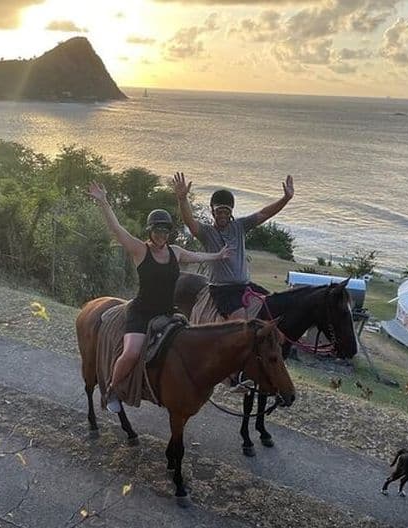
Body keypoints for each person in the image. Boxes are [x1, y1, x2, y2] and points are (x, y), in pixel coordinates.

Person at [86, 182, 231, 413]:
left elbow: (197, 255)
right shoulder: (139, 250)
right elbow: (116, 229)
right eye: (157, 230)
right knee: (132, 352)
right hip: (141, 312)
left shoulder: (175, 251)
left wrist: (219, 255)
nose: (161, 235)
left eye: (164, 231)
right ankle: (112, 389)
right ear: (149, 231)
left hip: (167, 312)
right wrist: (103, 201)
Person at [173, 171, 294, 320]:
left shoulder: (240, 226)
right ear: (212, 211)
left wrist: (285, 199)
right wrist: (182, 199)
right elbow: (190, 222)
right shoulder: (206, 232)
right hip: (222, 290)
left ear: (231, 212)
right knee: (240, 320)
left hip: (244, 286)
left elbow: (264, 213)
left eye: (226, 211)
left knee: (273, 307)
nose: (222, 215)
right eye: (219, 211)